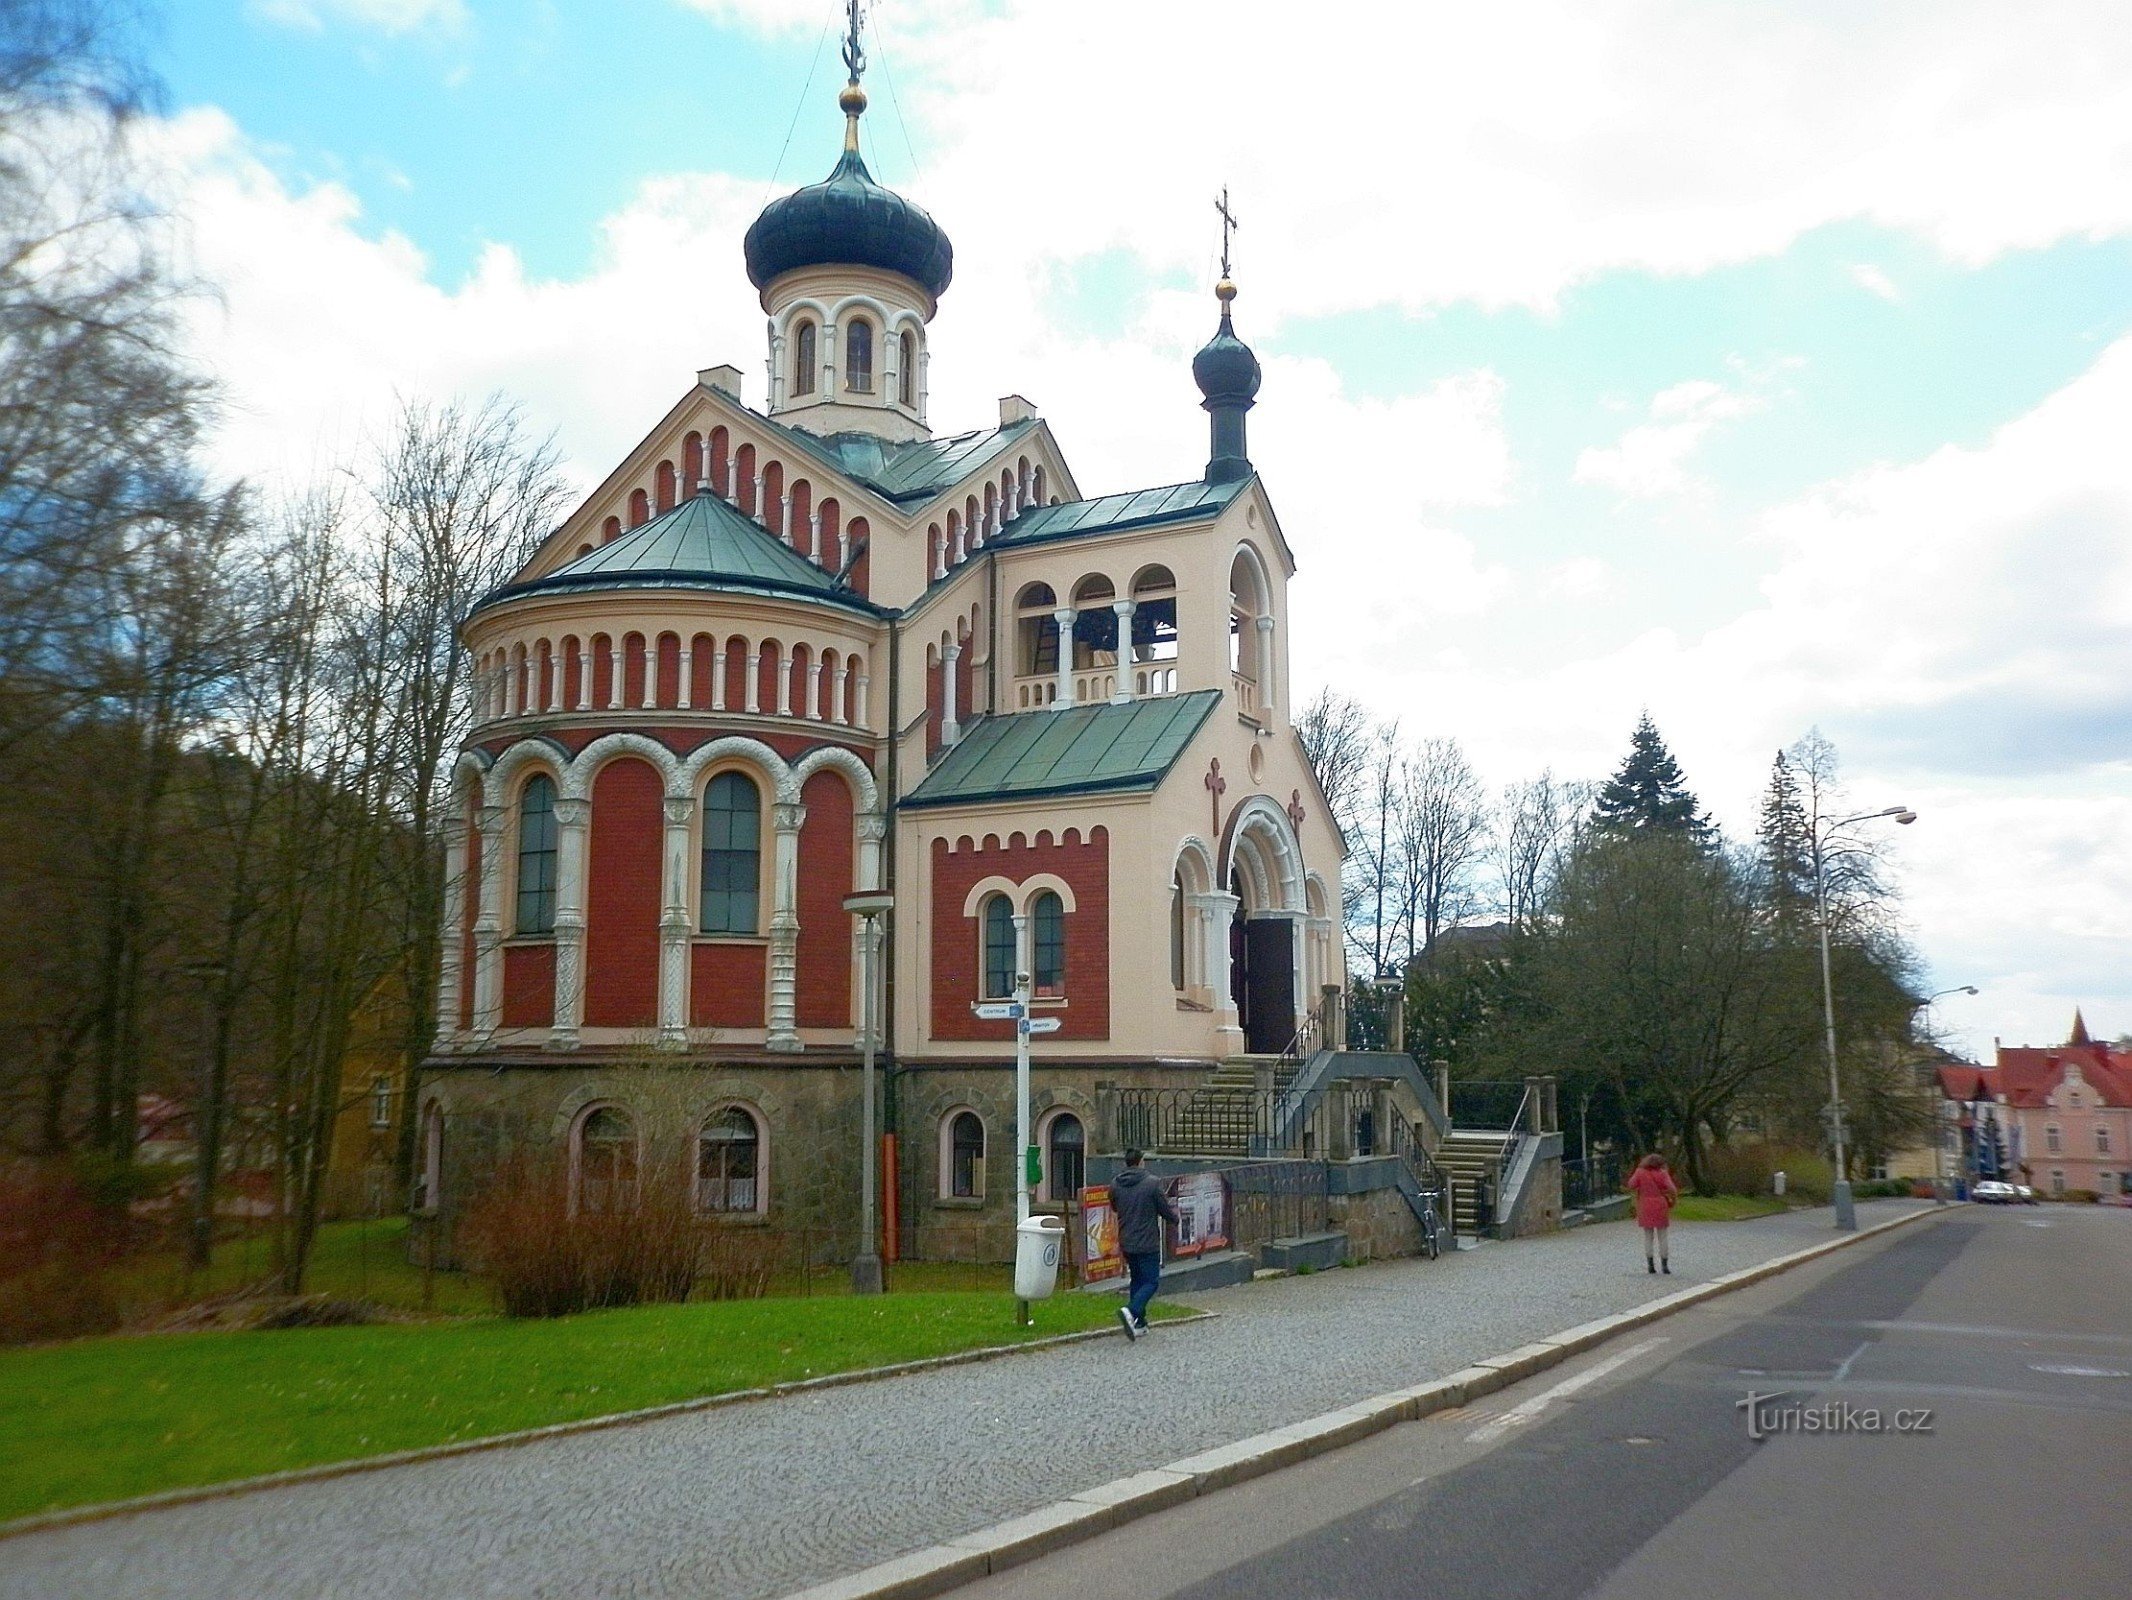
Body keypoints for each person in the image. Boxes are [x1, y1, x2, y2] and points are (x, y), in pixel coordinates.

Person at [1109, 1148, 1177, 1340]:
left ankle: (1139, 1323)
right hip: (1147, 1241)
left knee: (1137, 1280)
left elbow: (1114, 1207)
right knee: (1151, 1281)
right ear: (1140, 1162)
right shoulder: (1152, 1183)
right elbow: (1163, 1208)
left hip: (1127, 1239)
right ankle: (1131, 1311)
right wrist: (1174, 1219)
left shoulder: (1115, 1184)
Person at [1626, 1153, 1679, 1274]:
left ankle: (1650, 1265)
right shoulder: (1663, 1173)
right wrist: (1673, 1200)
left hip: (1645, 1205)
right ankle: (1665, 1265)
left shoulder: (1640, 1172)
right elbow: (1672, 1189)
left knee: (1648, 1236)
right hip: (1660, 1204)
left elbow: (1630, 1185)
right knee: (1663, 1236)